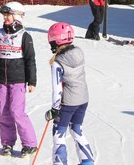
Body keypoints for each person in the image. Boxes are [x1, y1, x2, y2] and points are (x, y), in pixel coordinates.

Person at [0, 2, 37, 158]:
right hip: (2, 80)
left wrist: (32, 81)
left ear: (17, 16)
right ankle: (7, 143)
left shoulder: (24, 36)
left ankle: (29, 144)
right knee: (4, 113)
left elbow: (30, 59)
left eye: (8, 15)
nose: (5, 17)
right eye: (4, 15)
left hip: (18, 80)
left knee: (17, 112)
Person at [46, 22, 94, 165]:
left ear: (56, 41)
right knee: (76, 129)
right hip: (83, 99)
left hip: (67, 103)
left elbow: (57, 89)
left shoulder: (58, 63)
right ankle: (88, 161)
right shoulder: (78, 52)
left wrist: (55, 109)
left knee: (59, 134)